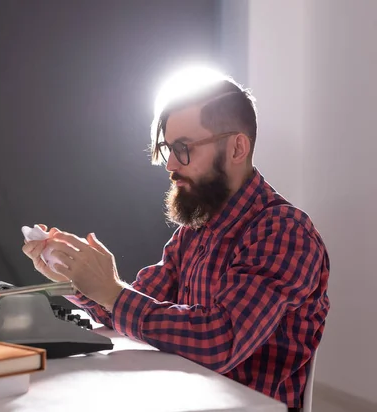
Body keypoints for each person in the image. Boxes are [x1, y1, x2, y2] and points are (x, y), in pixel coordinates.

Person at [22, 67, 330, 412]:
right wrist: (78, 278)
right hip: (186, 397)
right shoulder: (196, 228)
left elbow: (221, 341)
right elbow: (134, 309)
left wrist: (112, 292)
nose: (170, 166)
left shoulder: (284, 232)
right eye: (168, 148)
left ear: (237, 147)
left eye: (183, 148)